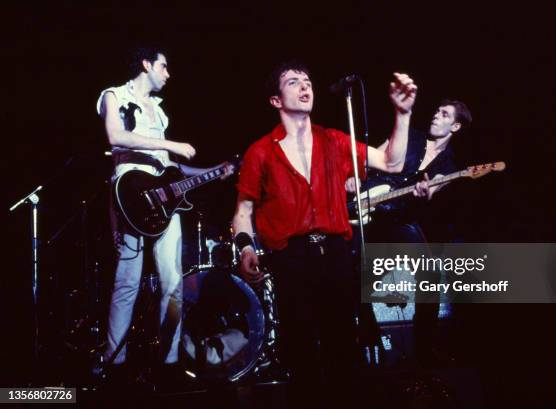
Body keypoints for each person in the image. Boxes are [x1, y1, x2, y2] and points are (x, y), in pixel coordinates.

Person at [232, 61, 417, 407]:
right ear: (276, 100)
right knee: (300, 351)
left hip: (334, 252)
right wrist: (245, 247)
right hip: (290, 258)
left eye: (308, 81)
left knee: (343, 348)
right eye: (293, 82)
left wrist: (402, 114)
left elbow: (392, 162)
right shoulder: (260, 151)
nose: (305, 86)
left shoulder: (333, 140)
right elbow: (243, 212)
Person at [96, 47, 228, 375]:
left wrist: (213, 170)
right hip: (131, 196)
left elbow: (172, 170)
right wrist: (171, 144)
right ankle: (116, 362)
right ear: (146, 64)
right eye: (164, 66)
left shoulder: (159, 111)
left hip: (165, 201)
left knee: (173, 281)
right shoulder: (113, 95)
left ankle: (169, 362)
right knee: (127, 280)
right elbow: (116, 137)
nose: (168, 74)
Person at [351, 99, 472, 366]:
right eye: (436, 110)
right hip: (368, 203)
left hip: (399, 218)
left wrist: (425, 191)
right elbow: (376, 156)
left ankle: (423, 350)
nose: (435, 116)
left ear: (456, 126)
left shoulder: (448, 165)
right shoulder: (412, 136)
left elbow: (435, 188)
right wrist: (356, 177)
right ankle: (366, 329)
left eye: (444, 114)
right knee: (353, 270)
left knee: (429, 276)